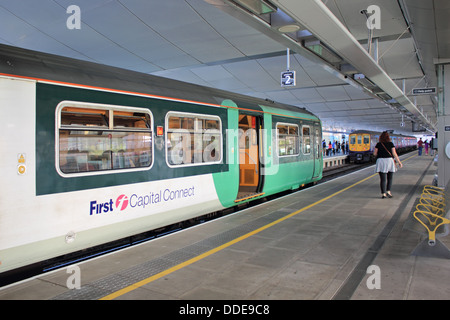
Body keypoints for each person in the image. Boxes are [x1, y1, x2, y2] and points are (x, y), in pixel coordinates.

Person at [373, 131, 403, 199]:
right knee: (390, 178)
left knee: (383, 179)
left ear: (380, 137)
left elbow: (375, 154)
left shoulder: (378, 144)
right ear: (388, 137)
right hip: (389, 161)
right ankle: (388, 192)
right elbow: (394, 154)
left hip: (380, 161)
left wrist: (379, 153)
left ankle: (383, 194)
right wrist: (399, 162)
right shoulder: (391, 144)